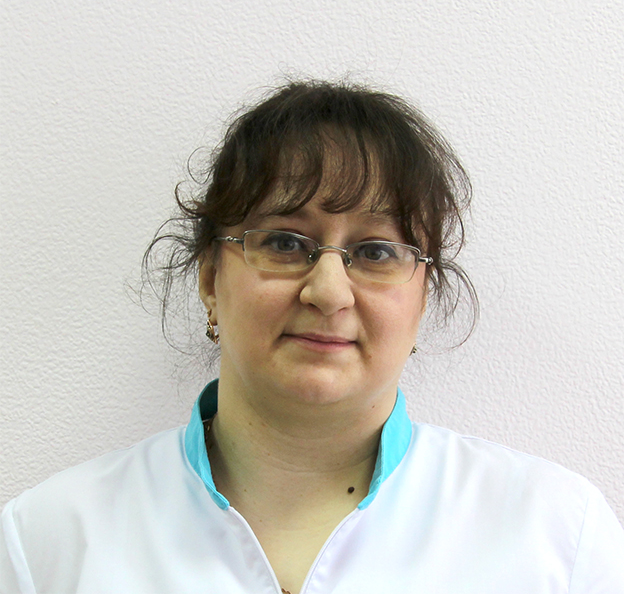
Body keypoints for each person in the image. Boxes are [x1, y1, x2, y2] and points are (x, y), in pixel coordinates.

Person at [1, 80, 623, 594]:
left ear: (422, 299)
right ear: (211, 279)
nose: (328, 291)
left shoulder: (556, 535)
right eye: (284, 242)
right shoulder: (50, 541)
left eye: (376, 251)